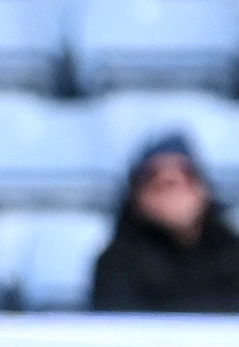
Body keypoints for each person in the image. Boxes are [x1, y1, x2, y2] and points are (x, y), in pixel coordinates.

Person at [88, 133, 239, 313]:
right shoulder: (115, 262)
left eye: (184, 177)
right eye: (156, 182)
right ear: (136, 197)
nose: (172, 192)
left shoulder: (232, 253)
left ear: (203, 191)